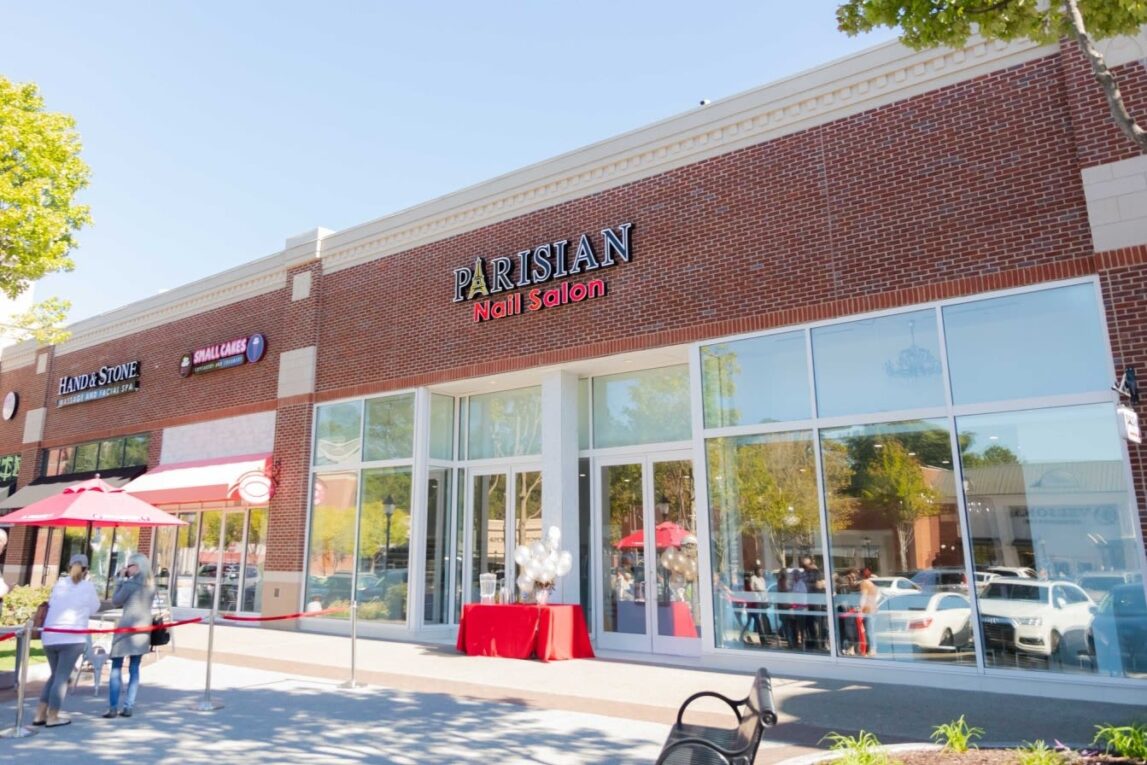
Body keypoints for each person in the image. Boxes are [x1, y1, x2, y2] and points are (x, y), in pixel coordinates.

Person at [34, 553, 101, 728]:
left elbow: (52, 603)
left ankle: (40, 713)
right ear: (86, 569)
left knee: (55, 675)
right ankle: (53, 716)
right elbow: (95, 608)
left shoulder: (59, 585)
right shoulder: (87, 587)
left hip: (50, 635)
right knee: (62, 677)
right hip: (72, 636)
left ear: (68, 566)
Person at [103, 552, 156, 719]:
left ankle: (113, 707)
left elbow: (116, 601)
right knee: (134, 668)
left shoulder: (131, 584)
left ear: (138, 567)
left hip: (126, 629)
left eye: (130, 566)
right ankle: (128, 706)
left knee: (116, 667)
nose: (127, 569)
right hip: (143, 630)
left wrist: (119, 580)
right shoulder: (151, 586)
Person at [857, 567, 880, 656]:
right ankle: (872, 648)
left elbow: (864, 596)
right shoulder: (871, 583)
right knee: (871, 630)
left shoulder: (864, 583)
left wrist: (860, 608)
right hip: (873, 608)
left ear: (862, 574)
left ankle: (872, 649)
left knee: (869, 630)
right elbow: (878, 595)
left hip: (868, 609)